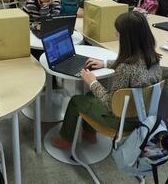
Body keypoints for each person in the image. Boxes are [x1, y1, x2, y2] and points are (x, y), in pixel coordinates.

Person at [51, 11, 162, 149]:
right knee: (91, 96)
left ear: (127, 38)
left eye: (118, 34)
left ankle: (66, 140)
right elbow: (132, 64)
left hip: (121, 121)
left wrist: (92, 82)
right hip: (144, 116)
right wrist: (106, 63)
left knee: (76, 101)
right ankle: (89, 134)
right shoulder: (153, 58)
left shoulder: (124, 68)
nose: (116, 36)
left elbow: (111, 105)